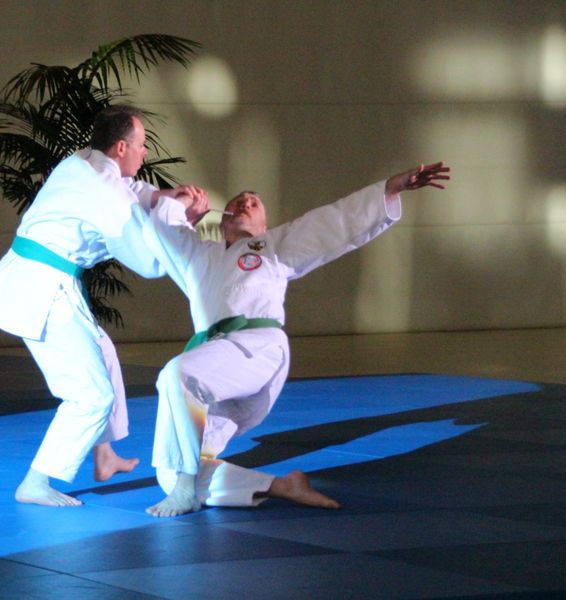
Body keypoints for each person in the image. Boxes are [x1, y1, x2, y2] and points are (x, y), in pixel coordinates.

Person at [141, 162, 451, 517]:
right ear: (223, 219)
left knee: (177, 375)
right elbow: (160, 229)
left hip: (258, 349)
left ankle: (185, 492)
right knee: (173, 467)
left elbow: (334, 222)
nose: (245, 204)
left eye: (254, 203)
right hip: (219, 370)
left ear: (264, 225)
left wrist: (391, 188)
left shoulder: (273, 246)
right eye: (238, 201)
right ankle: (281, 486)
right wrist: (183, 201)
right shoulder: (198, 255)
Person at [0, 105, 206, 506]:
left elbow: (131, 191)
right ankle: (35, 482)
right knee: (91, 396)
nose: (146, 152)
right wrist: (182, 218)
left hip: (43, 279)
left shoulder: (83, 161)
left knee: (104, 353)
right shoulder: (104, 192)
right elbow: (150, 262)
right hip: (40, 289)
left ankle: (104, 454)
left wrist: (167, 196)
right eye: (141, 145)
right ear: (121, 147)